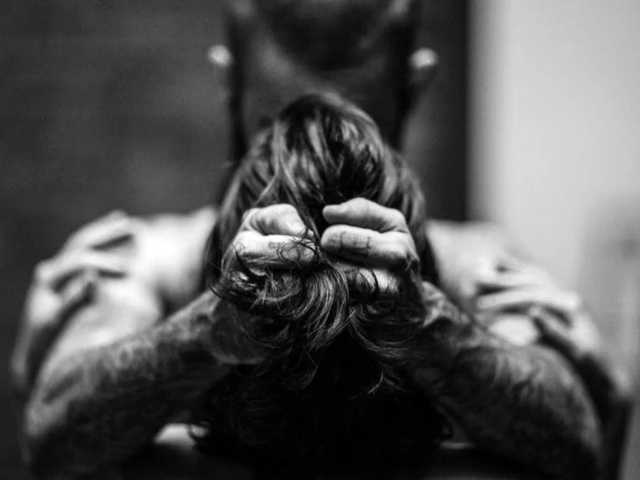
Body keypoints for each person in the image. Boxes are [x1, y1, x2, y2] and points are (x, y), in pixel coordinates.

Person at [17, 94, 606, 479]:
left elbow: (578, 443)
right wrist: (208, 333)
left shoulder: (475, 262)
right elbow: (52, 438)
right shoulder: (150, 256)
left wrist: (430, 328)